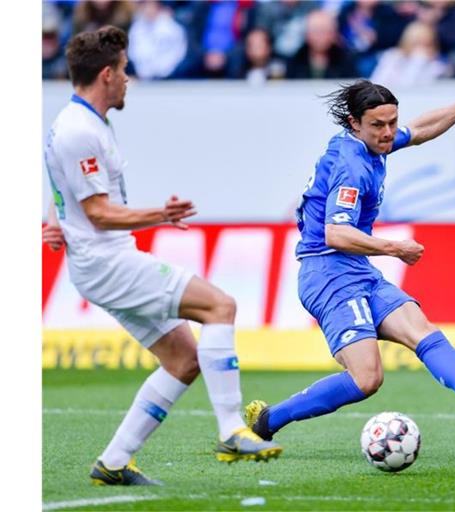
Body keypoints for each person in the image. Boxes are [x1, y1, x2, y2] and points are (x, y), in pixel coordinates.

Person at [41, 26, 281, 486]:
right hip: (108, 262)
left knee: (183, 360)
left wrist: (56, 222)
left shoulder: (81, 123)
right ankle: (232, 429)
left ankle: (114, 461)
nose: (130, 79)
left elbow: (66, 189)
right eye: (126, 70)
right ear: (107, 74)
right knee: (220, 305)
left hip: (99, 262)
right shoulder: (78, 131)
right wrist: (162, 215)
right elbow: (99, 213)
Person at [243, 74, 455, 444]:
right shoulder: (351, 166)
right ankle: (269, 420)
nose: (388, 132)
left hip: (357, 269)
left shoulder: (370, 143)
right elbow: (336, 234)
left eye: (392, 122)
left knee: (420, 330)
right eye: (378, 125)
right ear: (354, 124)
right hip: (327, 273)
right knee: (367, 379)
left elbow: (422, 128)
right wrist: (395, 248)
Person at [369, 21, 448, 86]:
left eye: (426, 44)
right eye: (417, 43)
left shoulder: (436, 67)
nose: (421, 49)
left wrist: (419, 61)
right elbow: (377, 82)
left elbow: (411, 89)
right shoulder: (392, 56)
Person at [285, 9, 357, 79]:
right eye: (316, 31)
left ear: (333, 34)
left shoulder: (346, 60)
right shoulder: (295, 60)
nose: (320, 37)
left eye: (324, 31)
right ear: (307, 34)